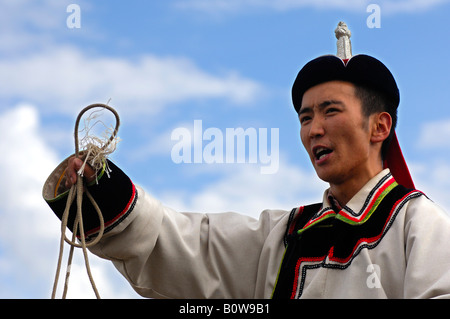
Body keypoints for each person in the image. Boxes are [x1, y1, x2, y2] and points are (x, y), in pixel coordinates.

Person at [42, 22, 450, 298]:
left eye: (330, 111)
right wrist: (103, 192)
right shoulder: (285, 236)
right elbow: (195, 249)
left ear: (379, 127)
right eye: (305, 117)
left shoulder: (419, 226)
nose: (313, 129)